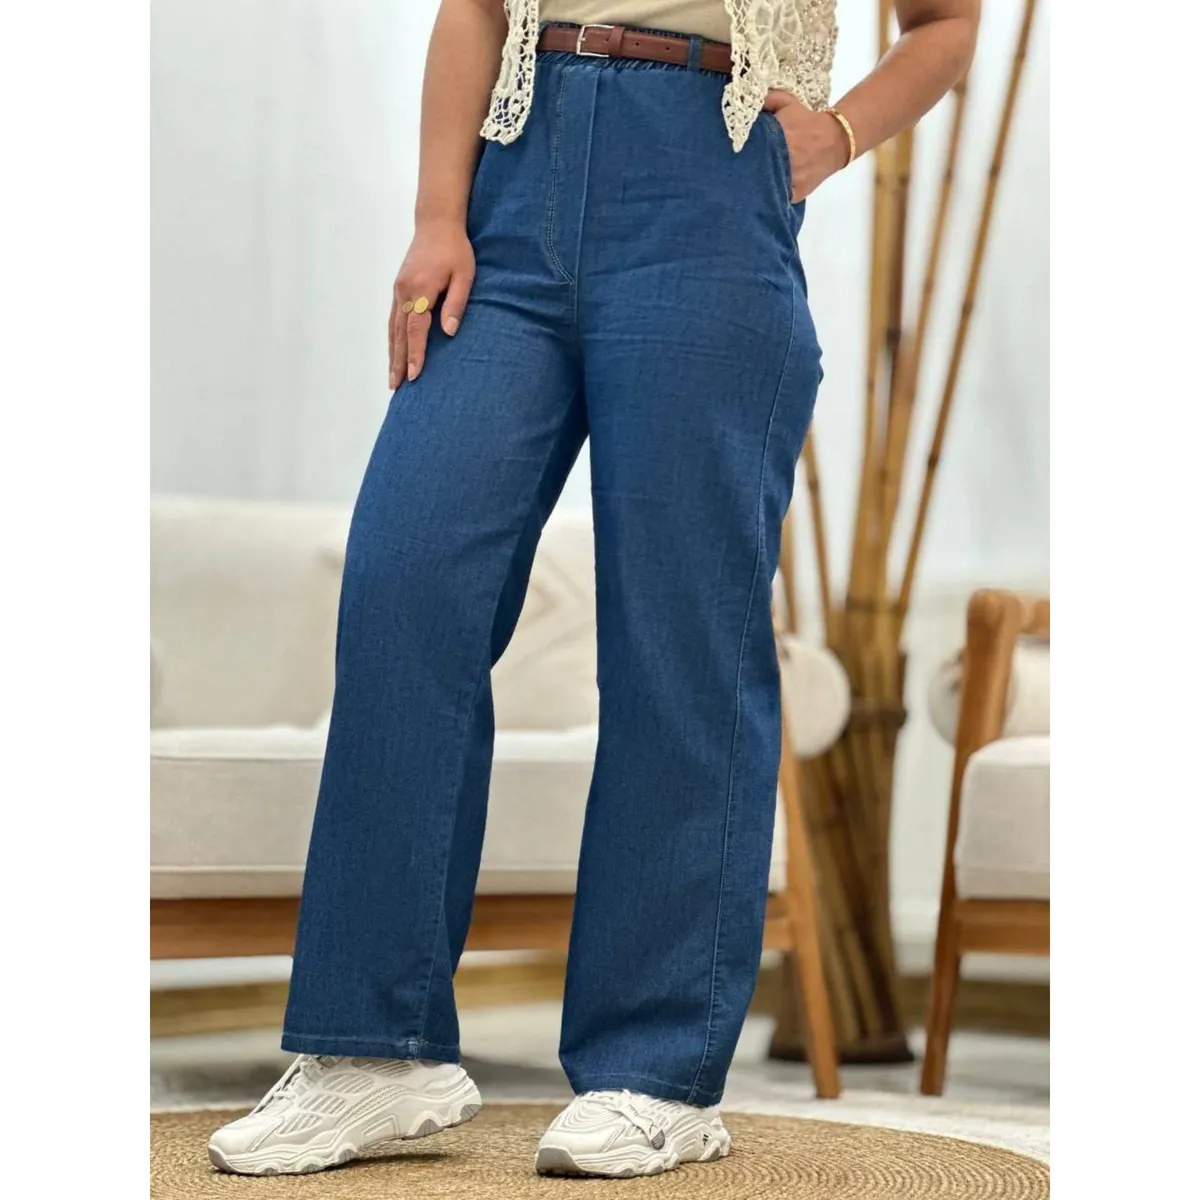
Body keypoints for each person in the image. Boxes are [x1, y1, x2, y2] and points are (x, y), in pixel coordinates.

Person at [209, 0, 979, 1179]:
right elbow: (475, 7)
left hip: (708, 194)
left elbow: (946, 24)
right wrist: (437, 214)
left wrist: (836, 133)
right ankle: (375, 1051)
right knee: (407, 580)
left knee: (682, 637)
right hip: (516, 183)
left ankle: (656, 1071)